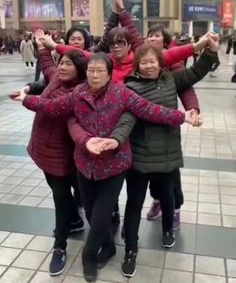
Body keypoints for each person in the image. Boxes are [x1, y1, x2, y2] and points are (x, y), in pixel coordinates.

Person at [12, 53, 200, 283]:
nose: (95, 74)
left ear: (110, 74)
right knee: (91, 214)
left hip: (114, 165)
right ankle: (109, 247)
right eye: (91, 70)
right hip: (85, 164)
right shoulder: (77, 94)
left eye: (100, 70)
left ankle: (89, 254)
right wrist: (25, 99)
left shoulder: (122, 94)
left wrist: (184, 117)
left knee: (101, 218)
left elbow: (152, 110)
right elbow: (51, 106)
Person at [101, 40, 218, 277]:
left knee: (167, 197)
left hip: (167, 154)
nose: (148, 66)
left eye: (152, 61)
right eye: (143, 62)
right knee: (134, 204)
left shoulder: (170, 80)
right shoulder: (130, 87)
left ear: (160, 63)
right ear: (137, 65)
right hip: (139, 155)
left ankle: (167, 231)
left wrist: (211, 52)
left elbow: (196, 72)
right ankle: (131, 250)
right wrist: (116, 139)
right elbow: (127, 119)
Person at [10, 32, 88, 276]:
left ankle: (60, 246)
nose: (62, 67)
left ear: (80, 71)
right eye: (62, 62)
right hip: (42, 151)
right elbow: (46, 63)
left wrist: (26, 98)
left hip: (62, 157)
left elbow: (52, 108)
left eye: (69, 64)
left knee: (60, 199)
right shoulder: (55, 77)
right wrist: (41, 44)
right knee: (62, 196)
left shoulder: (77, 92)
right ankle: (74, 222)